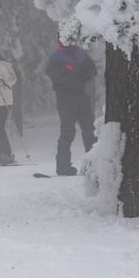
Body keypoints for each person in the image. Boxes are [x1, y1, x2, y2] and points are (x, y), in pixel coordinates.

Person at [46, 40, 97, 176]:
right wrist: (75, 76)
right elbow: (56, 77)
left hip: (80, 95)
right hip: (65, 97)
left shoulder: (79, 53)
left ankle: (94, 164)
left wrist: (81, 75)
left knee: (90, 130)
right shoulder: (56, 57)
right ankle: (63, 167)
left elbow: (92, 69)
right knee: (67, 131)